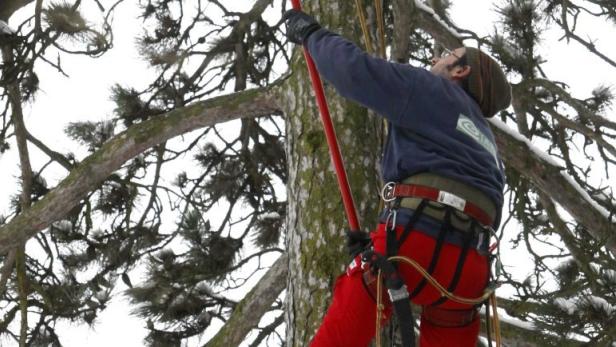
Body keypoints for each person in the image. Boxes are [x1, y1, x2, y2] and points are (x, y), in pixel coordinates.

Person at [283, 8, 511, 347]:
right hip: (468, 270)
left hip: (415, 240)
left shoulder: (432, 90)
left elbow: (356, 72)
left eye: (448, 55)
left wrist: (313, 35)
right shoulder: (487, 143)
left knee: (355, 305)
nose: (435, 57)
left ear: (460, 71)